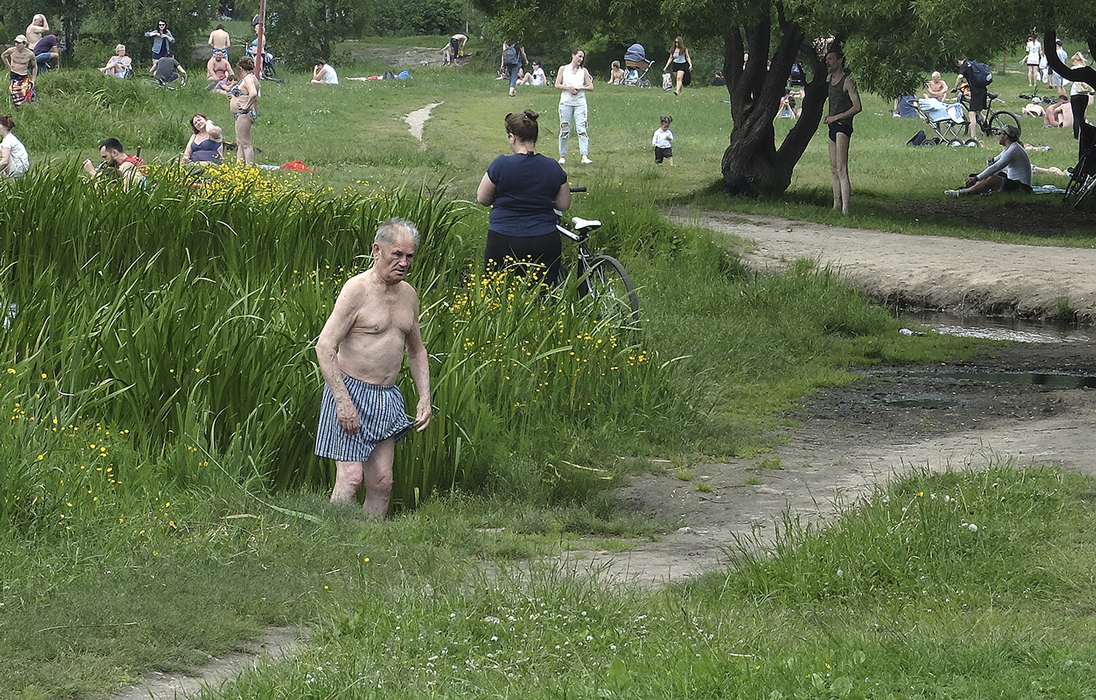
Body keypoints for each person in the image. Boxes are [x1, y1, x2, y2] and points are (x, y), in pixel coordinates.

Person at [315, 217, 432, 518]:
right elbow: (325, 347)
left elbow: (416, 351)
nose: (404, 263)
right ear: (377, 251)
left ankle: (368, 548)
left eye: (410, 256)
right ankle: (329, 544)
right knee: (351, 479)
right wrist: (343, 402)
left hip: (386, 396)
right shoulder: (357, 290)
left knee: (381, 483)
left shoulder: (409, 295)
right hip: (350, 391)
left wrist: (425, 398)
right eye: (398, 255)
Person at [476, 109, 570, 286]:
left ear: (512, 137)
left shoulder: (501, 165)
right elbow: (564, 204)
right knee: (542, 294)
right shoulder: (552, 167)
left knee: (498, 292)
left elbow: (482, 198)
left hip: (504, 238)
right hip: (544, 239)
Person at [822, 47, 861, 214]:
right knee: (833, 167)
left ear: (840, 61)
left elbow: (857, 107)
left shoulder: (848, 81)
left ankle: (846, 209)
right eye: (827, 59)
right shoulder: (829, 79)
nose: (827, 62)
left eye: (831, 59)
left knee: (841, 168)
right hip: (832, 125)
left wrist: (837, 117)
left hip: (842, 126)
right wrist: (828, 117)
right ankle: (836, 205)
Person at [945, 123, 1031, 197]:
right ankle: (976, 189)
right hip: (1014, 182)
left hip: (1022, 188)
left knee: (992, 179)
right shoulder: (1009, 148)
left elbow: (996, 167)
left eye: (1000, 133)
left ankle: (962, 193)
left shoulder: (1014, 150)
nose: (998, 136)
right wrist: (989, 163)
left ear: (1005, 136)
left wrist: (976, 178)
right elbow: (994, 164)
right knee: (987, 176)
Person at [555, 47, 593, 165]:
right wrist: (569, 88)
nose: (580, 59)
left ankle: (584, 155)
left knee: (582, 129)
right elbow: (557, 84)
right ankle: (562, 156)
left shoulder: (583, 71)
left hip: (580, 103)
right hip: (566, 103)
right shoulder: (563, 69)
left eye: (582, 57)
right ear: (573, 55)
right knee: (564, 129)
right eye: (579, 56)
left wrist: (580, 88)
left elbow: (590, 86)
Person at [82, 137, 146, 191]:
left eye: (105, 157)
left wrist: (92, 172)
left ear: (114, 152)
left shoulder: (127, 165)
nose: (104, 161)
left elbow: (111, 185)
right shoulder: (131, 160)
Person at [229, 56, 259, 165]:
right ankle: (239, 166)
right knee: (240, 143)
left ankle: (248, 167)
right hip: (240, 114)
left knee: (245, 143)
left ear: (240, 68)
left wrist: (246, 105)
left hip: (244, 113)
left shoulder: (248, 78)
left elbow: (254, 94)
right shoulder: (251, 78)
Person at [955, 56, 987, 146]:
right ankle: (989, 129)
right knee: (979, 112)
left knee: (972, 113)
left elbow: (960, 76)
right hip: (983, 89)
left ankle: (974, 136)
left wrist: (955, 87)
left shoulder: (964, 65)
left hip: (976, 92)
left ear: (958, 61)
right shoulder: (973, 64)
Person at [2, 36, 37, 108]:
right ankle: (16, 108)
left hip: (23, 75)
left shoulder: (30, 54)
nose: (16, 44)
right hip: (14, 75)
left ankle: (33, 106)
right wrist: (9, 66)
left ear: (24, 44)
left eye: (19, 43)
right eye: (16, 42)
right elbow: (3, 56)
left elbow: (35, 66)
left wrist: (33, 80)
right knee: (14, 92)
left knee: (27, 91)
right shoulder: (12, 50)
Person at [1068, 52, 1094, 139]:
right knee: (1082, 115)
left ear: (1075, 61)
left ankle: (1076, 135)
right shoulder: (1086, 69)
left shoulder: (1074, 69)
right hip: (1084, 95)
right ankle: (1084, 134)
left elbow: (1071, 83)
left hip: (1075, 94)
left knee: (1076, 116)